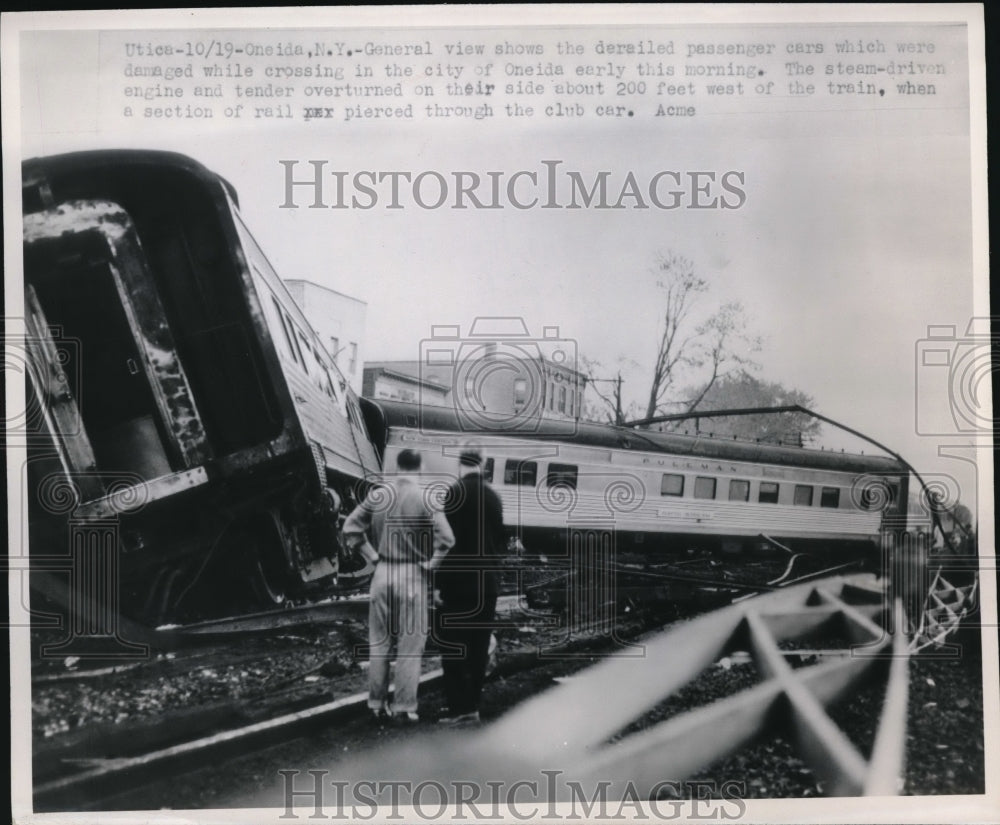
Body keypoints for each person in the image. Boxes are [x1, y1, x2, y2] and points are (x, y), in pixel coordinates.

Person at [342, 449, 454, 724]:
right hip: (412, 574)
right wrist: (433, 563)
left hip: (382, 573)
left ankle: (376, 705)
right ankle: (403, 708)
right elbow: (447, 539)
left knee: (379, 642)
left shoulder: (379, 494)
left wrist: (371, 555)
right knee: (410, 645)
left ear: (397, 465)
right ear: (420, 466)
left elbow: (351, 528)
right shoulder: (426, 496)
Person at [435, 449, 505, 725]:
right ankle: (472, 706)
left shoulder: (454, 493)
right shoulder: (494, 497)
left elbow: (446, 542)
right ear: (484, 464)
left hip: (459, 583)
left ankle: (457, 708)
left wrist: (438, 584)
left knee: (453, 646)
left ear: (459, 464)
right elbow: (498, 542)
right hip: (487, 584)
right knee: (477, 647)